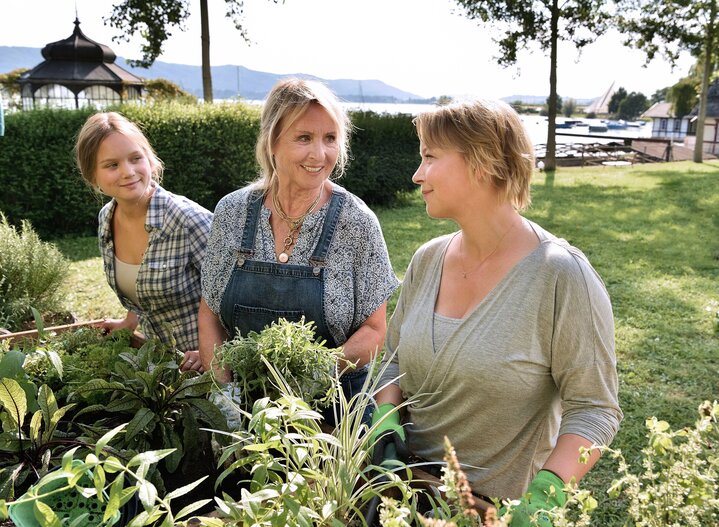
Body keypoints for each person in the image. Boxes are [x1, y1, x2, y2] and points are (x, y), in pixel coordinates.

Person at [372, 98, 623, 524]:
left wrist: (545, 497)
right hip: (400, 499)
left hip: (493, 512)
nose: (418, 175)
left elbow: (595, 407)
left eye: (430, 158)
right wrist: (384, 425)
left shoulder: (561, 276)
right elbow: (394, 360)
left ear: (481, 163)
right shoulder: (427, 259)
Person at [198, 78, 399, 424]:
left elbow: (375, 330)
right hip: (246, 408)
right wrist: (224, 396)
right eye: (304, 138)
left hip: (333, 415)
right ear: (272, 141)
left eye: (330, 139)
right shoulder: (232, 212)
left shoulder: (356, 222)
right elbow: (210, 313)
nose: (319, 155)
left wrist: (312, 373)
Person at [74, 112, 212, 372]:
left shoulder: (188, 219)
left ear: (149, 160)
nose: (128, 172)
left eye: (135, 158)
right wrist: (130, 321)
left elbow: (238, 293)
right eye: (112, 165)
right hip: (160, 365)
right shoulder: (106, 218)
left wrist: (214, 348)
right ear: (92, 175)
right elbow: (143, 288)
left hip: (210, 371)